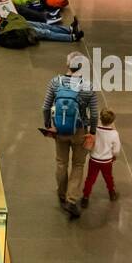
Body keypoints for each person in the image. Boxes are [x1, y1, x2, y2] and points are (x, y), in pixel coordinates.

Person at [42, 53, 99, 219]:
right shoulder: (88, 86)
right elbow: (94, 114)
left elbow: (45, 107)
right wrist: (92, 132)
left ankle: (61, 193)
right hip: (80, 131)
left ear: (67, 64)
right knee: (78, 164)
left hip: (60, 129)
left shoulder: (55, 82)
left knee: (61, 162)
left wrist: (48, 126)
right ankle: (71, 199)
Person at [80, 109, 121, 207]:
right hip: (106, 161)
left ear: (100, 118)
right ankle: (112, 193)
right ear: (112, 121)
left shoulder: (94, 130)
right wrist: (114, 156)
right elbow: (116, 150)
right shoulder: (114, 134)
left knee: (90, 179)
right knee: (108, 177)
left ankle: (85, 197)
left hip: (94, 159)